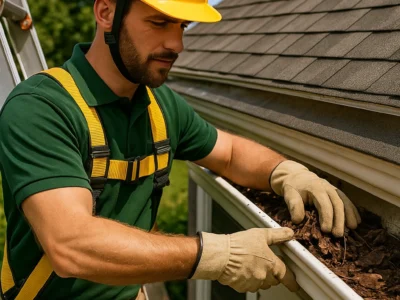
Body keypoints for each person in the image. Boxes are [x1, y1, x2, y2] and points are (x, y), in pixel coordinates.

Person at [0, 0, 361, 299]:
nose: (177, 45)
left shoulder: (161, 108)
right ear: (106, 12)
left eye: (182, 27)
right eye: (159, 22)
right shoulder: (41, 108)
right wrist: (216, 255)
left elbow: (232, 153)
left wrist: (285, 172)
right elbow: (71, 244)